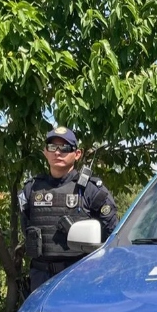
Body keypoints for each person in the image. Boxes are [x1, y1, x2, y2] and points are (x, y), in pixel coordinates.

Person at [20, 126, 119, 294]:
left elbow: (113, 233)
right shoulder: (31, 189)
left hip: (78, 275)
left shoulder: (90, 189)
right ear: (45, 151)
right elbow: (26, 226)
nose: (57, 152)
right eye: (52, 147)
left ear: (77, 153)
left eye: (64, 148)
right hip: (40, 277)